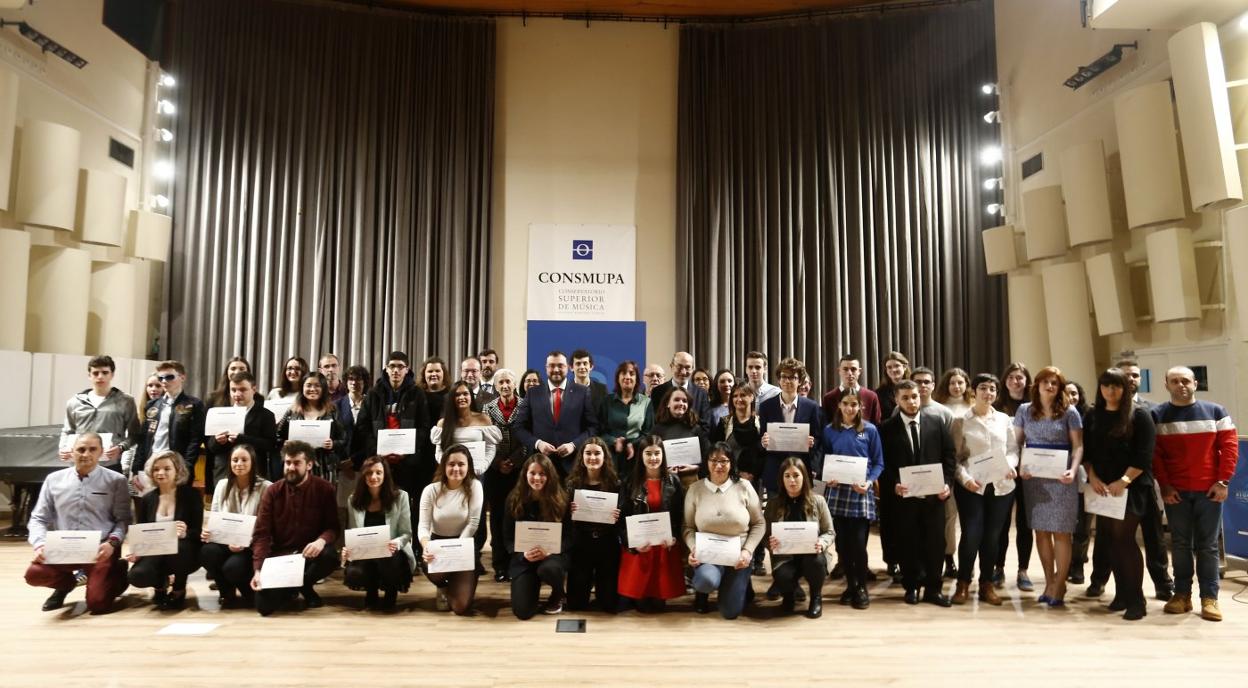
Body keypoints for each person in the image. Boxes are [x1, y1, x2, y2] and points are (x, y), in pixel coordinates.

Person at [1083, 358, 1173, 600]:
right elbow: (1086, 452)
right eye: (1106, 386)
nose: (1111, 390)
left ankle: (1138, 597)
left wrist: (1122, 481)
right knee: (1110, 541)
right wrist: (1092, 477)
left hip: (1131, 488)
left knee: (1128, 541)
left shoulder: (1142, 414)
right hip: (1102, 488)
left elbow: (1145, 456)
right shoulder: (1092, 415)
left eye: (1117, 385)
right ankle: (1121, 595)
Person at [1154, 366, 1238, 622]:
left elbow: (1230, 447)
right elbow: (1155, 456)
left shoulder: (1216, 411)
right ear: (1166, 385)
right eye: (1175, 381)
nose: (1181, 385)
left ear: (1196, 383)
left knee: (1209, 546)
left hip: (1210, 492)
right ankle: (1182, 595)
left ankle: (1209, 599)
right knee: (1180, 545)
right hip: (1175, 493)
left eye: (1186, 381)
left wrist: (1223, 482)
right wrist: (1165, 486)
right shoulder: (1157, 415)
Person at [25, 433, 131, 613]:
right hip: (63, 547)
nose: (86, 454)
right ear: (72, 452)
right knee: (33, 574)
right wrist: (40, 545)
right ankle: (66, 584)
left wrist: (112, 543)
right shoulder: (53, 480)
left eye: (92, 449)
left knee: (98, 604)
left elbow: (123, 519)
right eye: (81, 449)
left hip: (99, 549)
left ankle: (117, 571)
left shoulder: (116, 481)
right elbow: (38, 518)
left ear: (101, 453)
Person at [879, 380, 955, 607]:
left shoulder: (937, 422)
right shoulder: (886, 428)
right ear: (896, 399)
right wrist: (893, 484)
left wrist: (948, 483)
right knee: (908, 543)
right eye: (905, 398)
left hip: (934, 497)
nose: (912, 402)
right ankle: (911, 586)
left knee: (935, 544)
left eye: (914, 396)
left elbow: (949, 456)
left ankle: (934, 588)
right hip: (904, 499)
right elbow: (882, 464)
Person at [1015, 366, 1084, 607]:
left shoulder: (1070, 412)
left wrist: (1073, 470)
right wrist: (1021, 466)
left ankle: (1060, 583)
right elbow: (1017, 444)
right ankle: (1049, 582)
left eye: (1055, 383)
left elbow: (1078, 446)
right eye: (1045, 382)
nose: (1050, 386)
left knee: (1062, 533)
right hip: (1034, 479)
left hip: (1062, 478)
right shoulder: (1024, 410)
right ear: (1037, 385)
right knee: (1041, 532)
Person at [250, 441, 341, 616]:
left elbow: (333, 527)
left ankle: (303, 586)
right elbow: (262, 534)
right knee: (264, 607)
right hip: (281, 557)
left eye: (296, 463)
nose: (291, 467)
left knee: (329, 555)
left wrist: (321, 541)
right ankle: (296, 588)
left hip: (310, 555)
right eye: (287, 462)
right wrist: (258, 570)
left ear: (309, 465)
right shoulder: (272, 491)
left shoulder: (325, 489)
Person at [950, 373, 1018, 606]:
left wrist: (1009, 466)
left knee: (992, 537)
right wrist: (966, 479)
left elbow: (1013, 450)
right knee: (972, 535)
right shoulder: (961, 420)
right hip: (972, 486)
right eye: (983, 388)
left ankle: (986, 584)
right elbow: (956, 458)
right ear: (974, 391)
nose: (988, 393)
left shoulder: (1004, 420)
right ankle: (963, 584)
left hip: (1001, 486)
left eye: (992, 389)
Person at [683, 443, 765, 619]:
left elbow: (759, 524)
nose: (718, 465)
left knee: (730, 612)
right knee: (706, 581)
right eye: (713, 460)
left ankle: (743, 580)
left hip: (738, 557)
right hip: (709, 556)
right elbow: (687, 527)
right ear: (706, 462)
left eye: (724, 461)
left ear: (731, 463)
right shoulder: (695, 489)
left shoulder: (744, 487)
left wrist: (747, 551)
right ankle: (704, 591)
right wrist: (693, 547)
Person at [820, 391, 884, 609]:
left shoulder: (870, 430)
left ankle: (861, 588)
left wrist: (868, 482)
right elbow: (825, 461)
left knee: (858, 544)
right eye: (845, 404)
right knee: (842, 545)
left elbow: (878, 463)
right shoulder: (829, 431)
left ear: (860, 407)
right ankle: (851, 585)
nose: (849, 409)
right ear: (839, 405)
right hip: (837, 494)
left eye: (854, 405)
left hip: (860, 493)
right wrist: (828, 478)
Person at [126, 451, 202, 609]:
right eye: (156, 469)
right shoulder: (147, 499)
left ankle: (179, 588)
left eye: (167, 468)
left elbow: (198, 532)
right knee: (136, 576)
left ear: (177, 471)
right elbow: (141, 531)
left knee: (179, 550)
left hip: (184, 550)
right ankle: (160, 584)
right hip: (155, 550)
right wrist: (136, 551)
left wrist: (186, 532)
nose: (160, 473)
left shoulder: (192, 495)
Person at [617, 436, 685, 611]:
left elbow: (680, 516)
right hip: (640, 548)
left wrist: (675, 538)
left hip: (663, 548)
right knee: (642, 606)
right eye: (648, 453)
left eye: (657, 453)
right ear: (641, 455)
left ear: (663, 455)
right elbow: (622, 519)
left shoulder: (674, 481)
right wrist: (631, 544)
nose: (653, 458)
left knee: (657, 606)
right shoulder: (630, 481)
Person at [353, 352, 431, 500]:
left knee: (406, 503)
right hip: (379, 461)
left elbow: (424, 426)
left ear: (407, 369)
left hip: (408, 462)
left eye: (400, 367)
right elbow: (363, 426)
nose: (396, 370)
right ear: (386, 369)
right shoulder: (373, 393)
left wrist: (408, 450)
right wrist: (376, 450)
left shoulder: (417, 394)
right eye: (392, 366)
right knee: (379, 502)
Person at [201, 444, 271, 608]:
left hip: (252, 544)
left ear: (253, 462)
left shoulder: (266, 487)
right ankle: (226, 591)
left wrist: (245, 541)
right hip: (227, 541)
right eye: (235, 460)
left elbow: (266, 525)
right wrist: (209, 532)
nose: (239, 463)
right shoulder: (222, 485)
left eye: (244, 460)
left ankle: (247, 590)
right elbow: (216, 517)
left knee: (232, 567)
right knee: (206, 551)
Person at [504, 454, 573, 619]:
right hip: (525, 559)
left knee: (548, 568)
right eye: (532, 473)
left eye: (542, 474)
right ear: (525, 474)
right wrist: (523, 555)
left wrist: (551, 552)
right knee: (523, 612)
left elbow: (570, 537)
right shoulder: (513, 499)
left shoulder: (561, 499)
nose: (537, 478)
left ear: (550, 476)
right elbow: (507, 539)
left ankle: (558, 594)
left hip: (553, 557)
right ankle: (532, 585)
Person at [765, 457, 834, 618]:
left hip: (811, 555)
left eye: (796, 475)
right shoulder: (773, 504)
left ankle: (816, 597)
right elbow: (765, 534)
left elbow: (829, 532)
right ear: (781, 479)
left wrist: (821, 543)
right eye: (787, 476)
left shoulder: (818, 501)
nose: (792, 480)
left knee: (817, 562)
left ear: (804, 476)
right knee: (782, 574)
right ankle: (788, 597)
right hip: (785, 557)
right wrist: (770, 543)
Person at [512, 351, 598, 477]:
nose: (556, 369)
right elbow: (518, 427)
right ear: (546, 368)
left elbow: (592, 428)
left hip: (572, 465)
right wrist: (538, 443)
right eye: (551, 366)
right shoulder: (533, 393)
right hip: (540, 467)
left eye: (560, 366)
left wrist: (573, 445)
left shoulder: (583, 392)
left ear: (568, 368)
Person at [346, 457, 416, 611]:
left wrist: (396, 543)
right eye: (369, 473)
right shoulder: (353, 500)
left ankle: (391, 592)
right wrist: (348, 549)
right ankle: (371, 591)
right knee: (353, 572)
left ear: (385, 475)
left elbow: (406, 533)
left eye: (379, 473)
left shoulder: (400, 497)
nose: (373, 477)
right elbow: (353, 531)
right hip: (367, 552)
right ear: (363, 475)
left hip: (392, 552)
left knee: (388, 559)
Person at [417, 445, 481, 614]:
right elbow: (423, 527)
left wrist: (456, 552)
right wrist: (426, 546)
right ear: (444, 466)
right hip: (438, 543)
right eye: (451, 464)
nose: (456, 468)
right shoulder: (430, 490)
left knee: (460, 608)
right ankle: (443, 586)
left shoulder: (475, 486)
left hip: (464, 543)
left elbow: (473, 523)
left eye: (461, 464)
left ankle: (455, 582)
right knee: (432, 568)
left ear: (469, 467)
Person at [710, 384, 766, 572]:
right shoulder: (725, 422)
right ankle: (732, 554)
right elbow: (717, 450)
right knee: (734, 519)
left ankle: (757, 559)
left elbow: (765, 453)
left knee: (755, 519)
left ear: (752, 398)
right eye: (735, 396)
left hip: (754, 480)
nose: (739, 399)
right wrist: (735, 474)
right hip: (729, 481)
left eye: (744, 395)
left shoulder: (761, 422)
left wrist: (752, 475)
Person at [565, 438, 622, 612]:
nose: (592, 457)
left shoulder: (616, 484)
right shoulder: (572, 484)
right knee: (575, 604)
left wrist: (617, 515)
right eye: (588, 453)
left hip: (607, 543)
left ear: (605, 457)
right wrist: (569, 512)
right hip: (581, 543)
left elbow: (624, 521)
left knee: (610, 605)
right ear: (582, 457)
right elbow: (563, 520)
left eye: (597, 453)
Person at [59, 355, 143, 473]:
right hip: (79, 464)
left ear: (112, 375)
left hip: (110, 464)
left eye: (105, 372)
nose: (100, 377)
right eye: (95, 373)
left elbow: (135, 434)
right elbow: (68, 431)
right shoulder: (74, 402)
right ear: (89, 375)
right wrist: (63, 448)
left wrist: (121, 448)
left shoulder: (126, 401)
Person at [911, 366, 957, 579]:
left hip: (938, 481)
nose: (922, 386)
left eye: (926, 382)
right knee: (916, 525)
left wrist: (947, 481)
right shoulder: (900, 410)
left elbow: (950, 451)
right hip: (912, 482)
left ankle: (946, 561)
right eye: (917, 381)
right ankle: (917, 567)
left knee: (944, 523)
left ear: (932, 384)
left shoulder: (944, 413)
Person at [759, 357, 824, 498]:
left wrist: (812, 444)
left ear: (800, 381)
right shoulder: (766, 407)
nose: (788, 381)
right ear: (778, 380)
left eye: (793, 377)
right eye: (784, 377)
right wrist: (763, 442)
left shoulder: (811, 407)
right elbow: (761, 438)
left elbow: (818, 439)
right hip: (774, 471)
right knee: (775, 516)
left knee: (800, 517)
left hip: (801, 471)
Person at [482, 368, 524, 582]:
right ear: (496, 386)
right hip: (495, 470)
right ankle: (500, 565)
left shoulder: (526, 406)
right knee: (497, 518)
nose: (505, 386)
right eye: (501, 383)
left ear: (515, 384)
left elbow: (528, 436)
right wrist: (499, 462)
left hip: (519, 470)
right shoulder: (486, 408)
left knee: (517, 516)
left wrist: (514, 461)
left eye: (508, 381)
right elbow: (486, 439)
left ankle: (517, 563)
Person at [994, 362, 1033, 590]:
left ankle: (1023, 570)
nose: (1015, 381)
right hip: (1004, 470)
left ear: (1027, 381)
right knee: (1001, 522)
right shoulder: (997, 406)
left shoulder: (1033, 407)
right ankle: (998, 568)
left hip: (1029, 471)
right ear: (1005, 380)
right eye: (1011, 377)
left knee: (1025, 523)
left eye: (1020, 377)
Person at [134, 360, 206, 478]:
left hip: (177, 467)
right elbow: (143, 440)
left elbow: (195, 440)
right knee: (150, 497)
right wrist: (136, 469)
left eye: (169, 377)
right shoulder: (152, 405)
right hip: (151, 464)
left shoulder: (194, 404)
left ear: (182, 377)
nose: (164, 381)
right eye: (160, 378)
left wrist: (187, 467)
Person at [205, 371, 277, 484]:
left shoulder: (266, 415)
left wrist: (242, 439)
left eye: (242, 390)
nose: (237, 394)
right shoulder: (221, 413)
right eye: (233, 390)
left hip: (255, 472)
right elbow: (211, 447)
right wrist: (217, 440)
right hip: (225, 472)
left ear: (253, 389)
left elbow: (270, 445)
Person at [276, 372, 346, 484]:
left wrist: (333, 444)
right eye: (308, 385)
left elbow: (343, 438)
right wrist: (284, 443)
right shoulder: (292, 411)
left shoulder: (333, 411)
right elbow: (278, 436)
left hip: (324, 467)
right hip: (297, 466)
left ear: (323, 388)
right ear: (302, 388)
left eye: (317, 385)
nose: (312, 389)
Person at [597, 360, 654, 473]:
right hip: (611, 456)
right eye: (623, 373)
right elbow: (600, 431)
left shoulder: (646, 402)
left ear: (637, 379)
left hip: (637, 455)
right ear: (618, 378)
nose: (627, 377)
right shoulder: (607, 401)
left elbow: (649, 432)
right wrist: (614, 441)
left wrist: (631, 444)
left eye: (632, 374)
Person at [334, 365, 371, 519]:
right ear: (345, 382)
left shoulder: (371, 404)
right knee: (342, 511)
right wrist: (343, 462)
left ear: (365, 383)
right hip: (343, 468)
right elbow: (333, 435)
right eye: (351, 379)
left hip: (366, 465)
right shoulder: (336, 405)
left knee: (364, 510)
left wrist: (355, 461)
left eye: (359, 379)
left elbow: (373, 436)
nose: (354, 383)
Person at [651, 386, 709, 482]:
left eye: (684, 401)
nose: (681, 403)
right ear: (667, 403)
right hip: (665, 483)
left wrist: (696, 467)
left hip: (692, 482)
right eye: (677, 400)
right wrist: (664, 470)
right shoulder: (657, 430)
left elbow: (707, 455)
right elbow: (649, 458)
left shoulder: (696, 429)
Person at [649, 352, 712, 427]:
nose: (683, 372)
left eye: (687, 367)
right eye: (679, 367)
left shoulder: (702, 394)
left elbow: (705, 425)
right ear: (671, 366)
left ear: (692, 369)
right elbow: (655, 422)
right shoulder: (657, 392)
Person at [821, 354, 882, 425]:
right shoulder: (829, 398)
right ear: (839, 371)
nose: (849, 373)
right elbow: (825, 426)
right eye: (845, 369)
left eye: (853, 369)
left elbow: (876, 425)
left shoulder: (871, 397)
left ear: (859, 371)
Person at [874, 351, 911, 421]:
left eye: (897, 366)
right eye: (889, 367)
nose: (893, 370)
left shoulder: (915, 388)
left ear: (904, 367)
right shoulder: (879, 393)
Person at [570, 349, 609, 414]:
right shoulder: (564, 390)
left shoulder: (602, 389)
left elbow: (606, 416)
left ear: (591, 367)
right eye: (578, 364)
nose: (582, 367)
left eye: (585, 363)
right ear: (571, 367)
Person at [417, 356, 450, 425]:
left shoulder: (451, 394)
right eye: (430, 371)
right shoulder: (417, 395)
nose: (434, 374)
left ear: (443, 373)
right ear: (424, 374)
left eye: (437, 371)